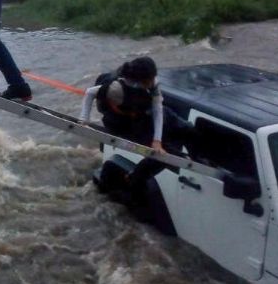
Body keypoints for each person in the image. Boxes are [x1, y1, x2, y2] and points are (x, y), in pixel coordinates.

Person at [80, 57, 200, 197]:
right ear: (140, 80)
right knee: (164, 155)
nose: (153, 81)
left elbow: (158, 110)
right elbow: (89, 93)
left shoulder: (153, 84)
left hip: (143, 114)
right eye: (149, 79)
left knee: (187, 128)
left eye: (153, 77)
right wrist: (84, 121)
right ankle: (134, 177)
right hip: (122, 123)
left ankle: (197, 156)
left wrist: (157, 141)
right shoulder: (117, 89)